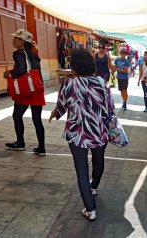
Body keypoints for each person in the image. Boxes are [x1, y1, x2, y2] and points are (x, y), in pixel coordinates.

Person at [49, 48, 115, 222]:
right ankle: (93, 187)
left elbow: (61, 107)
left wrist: (55, 113)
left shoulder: (69, 84)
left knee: (81, 170)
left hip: (77, 133)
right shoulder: (102, 83)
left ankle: (90, 209)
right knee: (98, 161)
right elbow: (110, 109)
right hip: (99, 131)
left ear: (74, 67)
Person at [3, 29, 46, 156]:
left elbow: (21, 70)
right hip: (37, 88)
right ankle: (41, 148)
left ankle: (20, 143)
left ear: (22, 42)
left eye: (16, 38)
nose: (13, 40)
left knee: (17, 116)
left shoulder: (18, 53)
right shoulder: (33, 53)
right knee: (37, 119)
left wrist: (9, 73)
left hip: (26, 90)